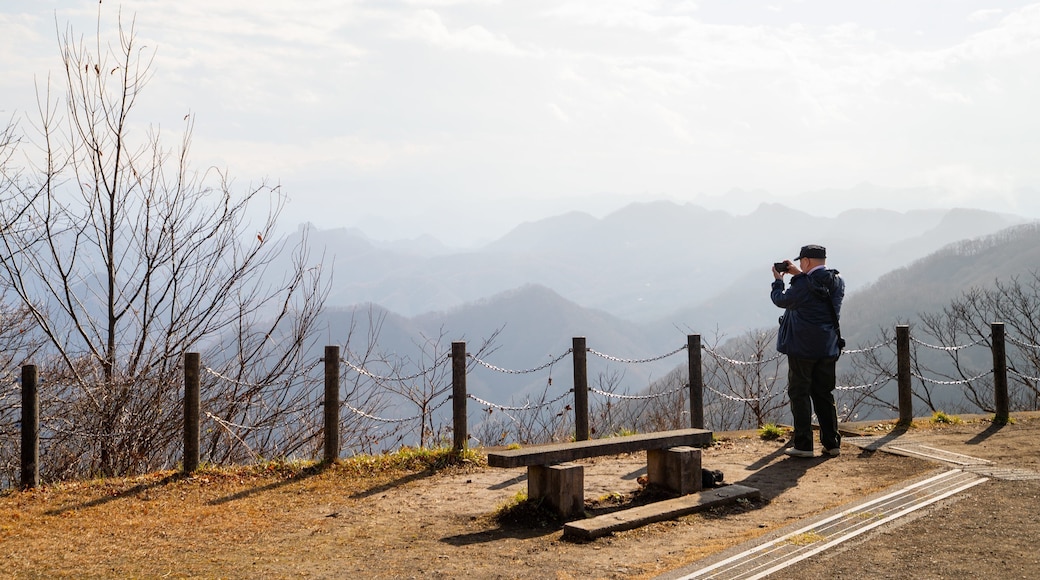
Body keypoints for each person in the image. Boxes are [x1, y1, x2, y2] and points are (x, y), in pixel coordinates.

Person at [771, 244, 845, 458]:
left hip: (801, 348)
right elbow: (815, 288)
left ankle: (803, 445)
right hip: (828, 346)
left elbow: (781, 299)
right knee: (824, 393)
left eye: (802, 262)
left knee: (800, 393)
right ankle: (832, 443)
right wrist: (799, 274)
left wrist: (778, 281)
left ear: (807, 261)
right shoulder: (837, 281)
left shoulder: (803, 285)